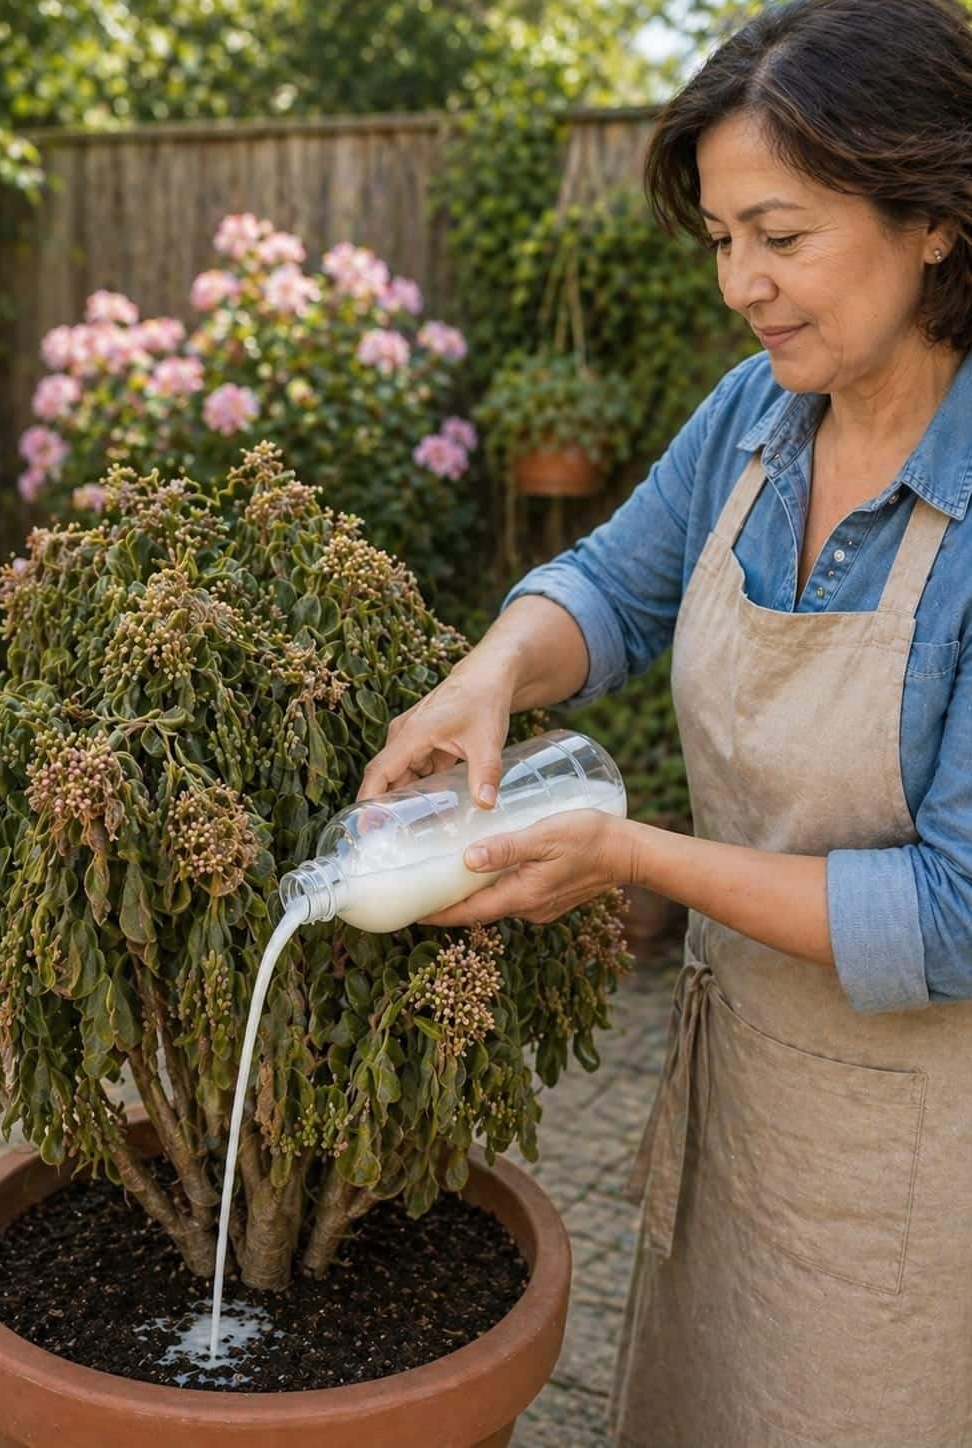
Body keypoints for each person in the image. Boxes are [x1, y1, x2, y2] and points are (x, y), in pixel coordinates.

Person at [359, 0, 972, 1442]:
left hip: (928, 1168)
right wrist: (497, 667)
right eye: (718, 241)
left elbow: (951, 917)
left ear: (935, 215)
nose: (741, 286)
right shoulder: (758, 419)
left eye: (781, 233)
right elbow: (610, 589)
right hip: (745, 1107)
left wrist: (627, 855)